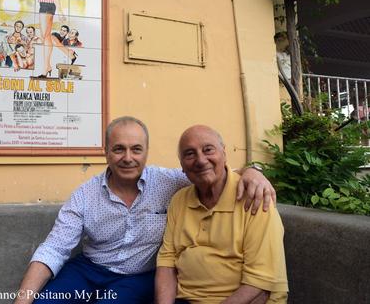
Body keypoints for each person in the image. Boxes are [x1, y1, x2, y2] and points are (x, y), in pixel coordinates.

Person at [14, 117, 276, 304]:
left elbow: (208, 171)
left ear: (146, 152)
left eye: (136, 149)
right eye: (119, 149)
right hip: (88, 269)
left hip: (136, 276)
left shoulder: (169, 181)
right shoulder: (85, 195)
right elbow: (55, 248)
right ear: (106, 152)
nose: (128, 157)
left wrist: (254, 172)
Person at [155, 125, 288, 304]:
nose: (201, 160)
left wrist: (253, 170)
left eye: (208, 149)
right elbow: (167, 261)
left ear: (224, 153)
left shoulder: (254, 197)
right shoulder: (179, 200)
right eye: (189, 154)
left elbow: (260, 284)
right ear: (182, 166)